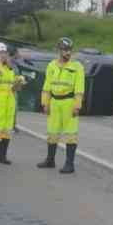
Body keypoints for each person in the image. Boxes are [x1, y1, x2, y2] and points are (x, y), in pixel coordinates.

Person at [37, 37, 85, 174]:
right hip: (54, 102)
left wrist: (77, 106)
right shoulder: (52, 65)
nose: (68, 53)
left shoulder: (77, 67)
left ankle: (70, 164)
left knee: (71, 134)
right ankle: (50, 160)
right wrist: (45, 103)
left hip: (69, 103)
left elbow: (79, 88)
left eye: (69, 50)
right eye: (65, 50)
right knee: (52, 132)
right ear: (59, 50)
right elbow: (47, 86)